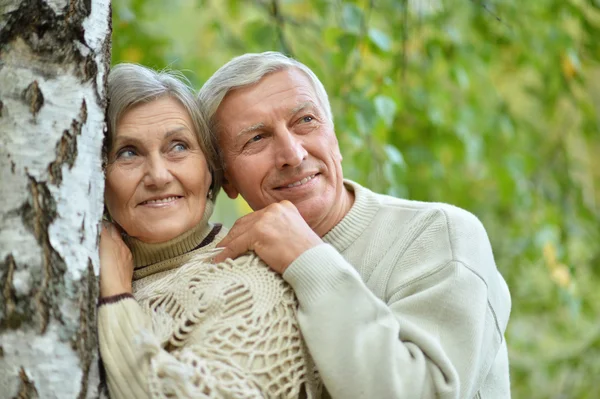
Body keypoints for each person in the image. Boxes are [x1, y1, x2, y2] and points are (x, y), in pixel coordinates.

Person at [198, 51, 512, 399]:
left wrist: (308, 259)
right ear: (226, 180)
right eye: (256, 139)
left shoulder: (442, 234)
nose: (293, 154)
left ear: (334, 137)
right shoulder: (234, 271)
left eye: (305, 121)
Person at [97, 63, 320, 399]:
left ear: (210, 170)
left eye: (178, 147)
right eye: (128, 153)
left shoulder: (251, 284)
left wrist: (114, 299)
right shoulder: (76, 274)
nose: (158, 176)